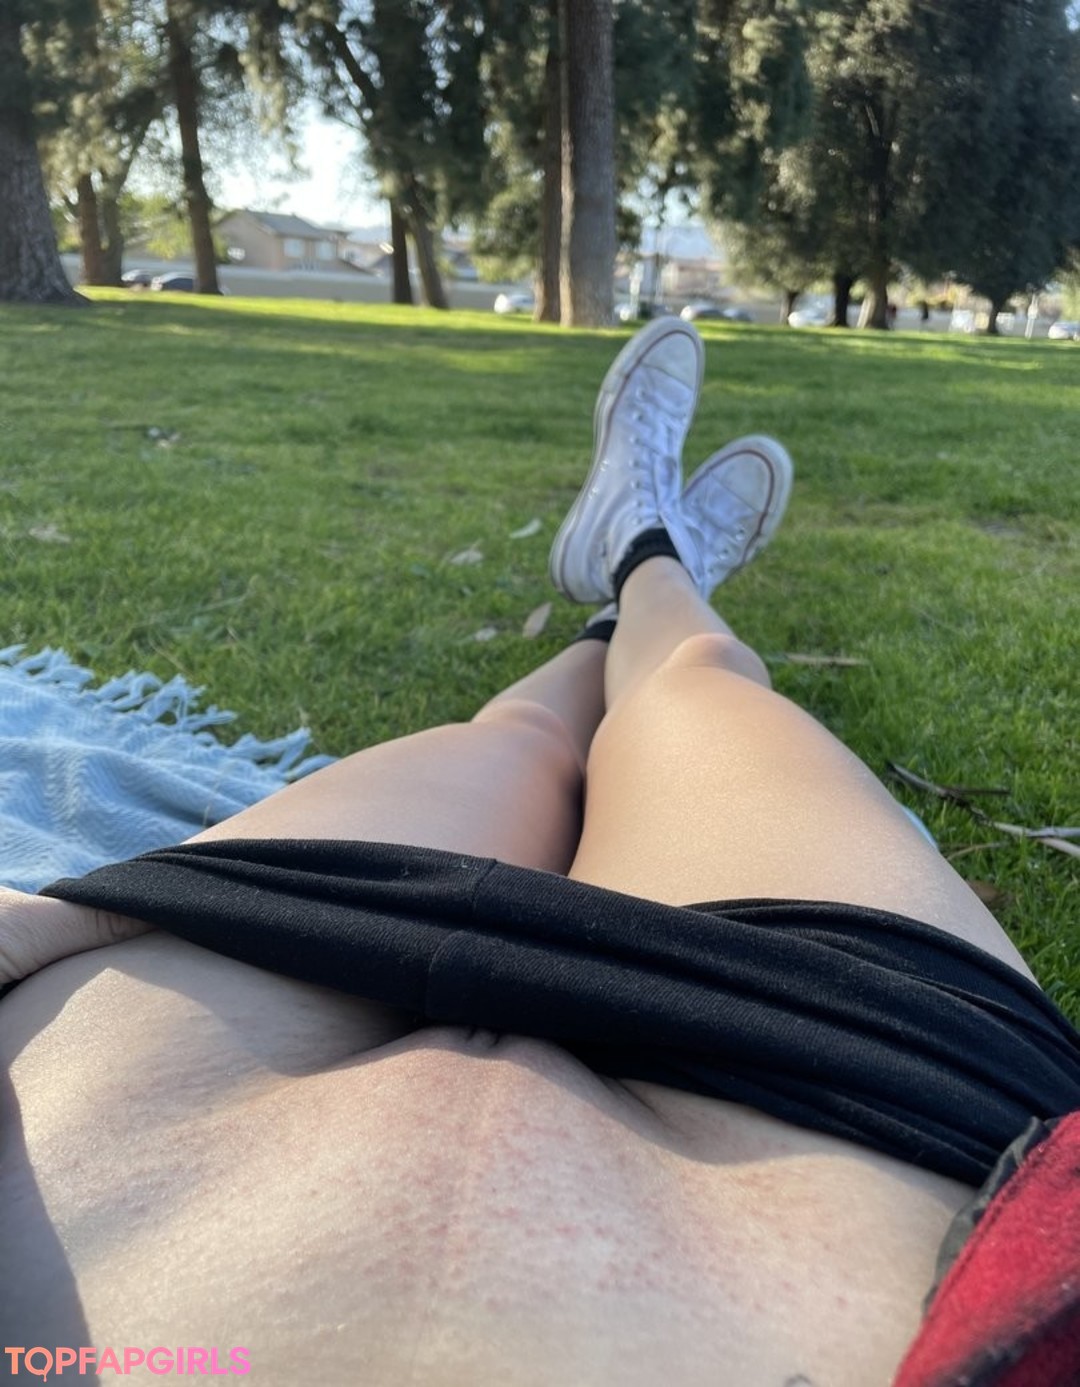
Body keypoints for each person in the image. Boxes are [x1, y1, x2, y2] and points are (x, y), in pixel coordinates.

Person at [1, 320, 1078, 1386]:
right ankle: (649, 562)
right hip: (885, 1090)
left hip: (125, 1104)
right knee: (698, 677)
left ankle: (633, 565)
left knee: (521, 740)